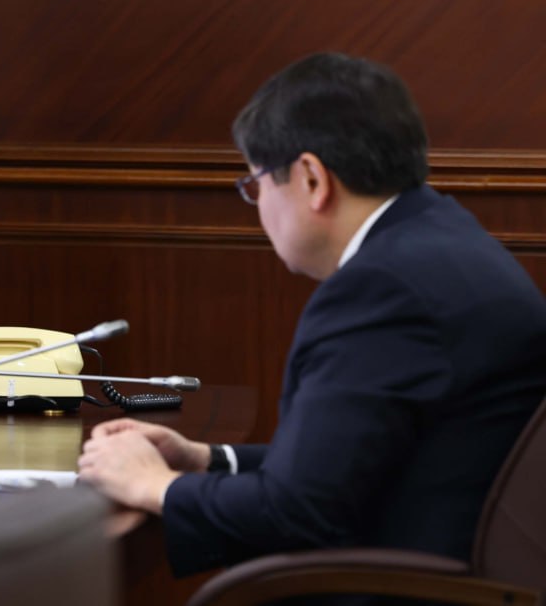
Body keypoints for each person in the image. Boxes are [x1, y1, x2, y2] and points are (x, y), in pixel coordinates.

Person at [78, 52, 546, 578]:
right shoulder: (441, 238)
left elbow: (298, 514)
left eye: (256, 183)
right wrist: (207, 459)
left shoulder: (382, 290)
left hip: (397, 585)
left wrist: (155, 486)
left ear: (311, 179)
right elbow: (342, 469)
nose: (258, 205)